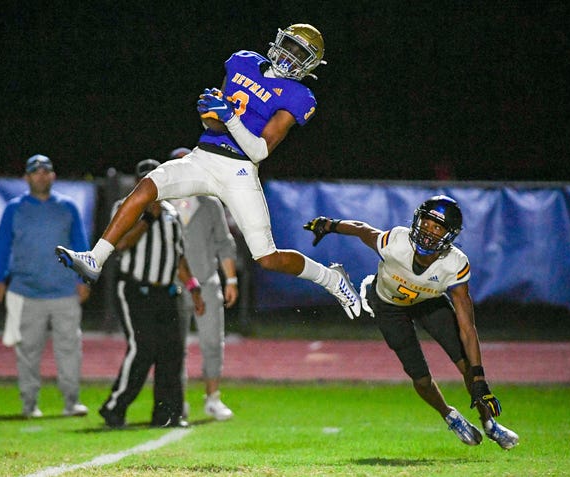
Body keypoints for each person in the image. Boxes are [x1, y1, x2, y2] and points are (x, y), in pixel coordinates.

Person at [55, 23, 362, 321]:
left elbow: (259, 151)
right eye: (289, 46)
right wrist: (210, 114)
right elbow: (213, 124)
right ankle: (94, 258)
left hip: (240, 170)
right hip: (203, 157)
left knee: (267, 257)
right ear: (278, 41)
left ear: (310, 64)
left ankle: (330, 278)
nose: (289, 55)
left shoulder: (298, 96)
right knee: (147, 187)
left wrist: (229, 118)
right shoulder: (243, 63)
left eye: (300, 53)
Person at [303, 195, 519, 450]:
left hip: (430, 303)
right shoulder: (396, 242)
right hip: (388, 306)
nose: (429, 232)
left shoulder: (454, 263)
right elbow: (363, 230)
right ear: (417, 221)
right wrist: (329, 224)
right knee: (420, 377)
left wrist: (480, 377)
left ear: (449, 235)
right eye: (426, 224)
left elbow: (467, 327)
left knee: (468, 368)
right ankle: (449, 415)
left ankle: (489, 423)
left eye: (438, 228)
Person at [98, 159, 205, 429]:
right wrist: (147, 218)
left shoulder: (171, 212)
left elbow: (177, 256)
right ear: (137, 182)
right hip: (135, 288)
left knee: (171, 353)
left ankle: (167, 414)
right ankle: (114, 407)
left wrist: (193, 287)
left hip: (166, 292)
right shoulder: (126, 207)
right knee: (142, 348)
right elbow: (120, 244)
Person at [0, 154, 90, 418]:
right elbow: (1, 246)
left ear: (53, 176)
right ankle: (29, 404)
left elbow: (80, 246)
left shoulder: (68, 207)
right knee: (28, 351)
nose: (41, 176)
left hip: (64, 291)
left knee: (69, 349)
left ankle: (71, 402)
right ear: (27, 177)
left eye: (46, 171)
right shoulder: (14, 208)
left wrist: (84, 279)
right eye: (36, 172)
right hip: (26, 290)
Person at [168, 146, 239, 421]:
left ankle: (212, 398)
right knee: (175, 347)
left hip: (208, 283)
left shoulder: (210, 204)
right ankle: (178, 401)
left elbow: (224, 243)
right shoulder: (161, 202)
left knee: (212, 343)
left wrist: (230, 278)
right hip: (172, 287)